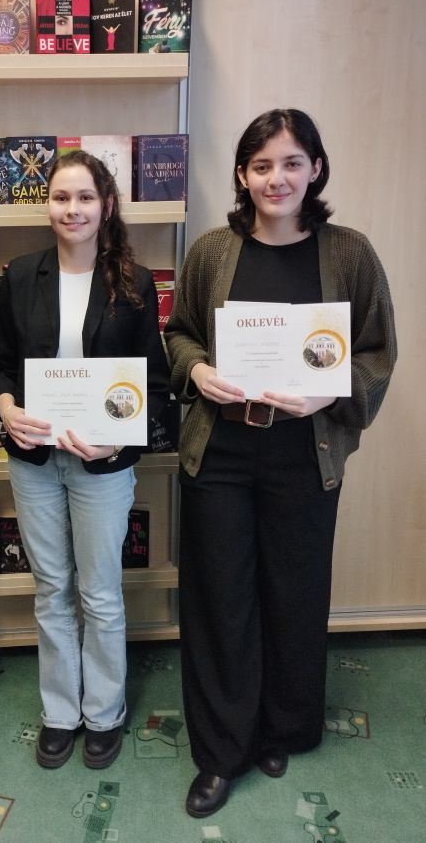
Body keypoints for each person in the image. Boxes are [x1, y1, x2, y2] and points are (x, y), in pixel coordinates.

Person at [164, 108, 397, 818]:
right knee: (220, 599)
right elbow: (180, 334)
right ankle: (221, 751)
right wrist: (197, 371)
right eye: (261, 165)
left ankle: (280, 727)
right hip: (222, 451)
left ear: (315, 169)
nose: (277, 178)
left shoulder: (349, 253)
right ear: (242, 174)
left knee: (293, 594)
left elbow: (377, 352)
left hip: (304, 453)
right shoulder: (212, 251)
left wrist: (329, 392)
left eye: (292, 163)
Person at [0, 150, 170, 770]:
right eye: (61, 197)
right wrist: (7, 407)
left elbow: (155, 384)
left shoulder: (133, 283)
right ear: (47, 205)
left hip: (103, 463)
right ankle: (62, 712)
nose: (73, 209)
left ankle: (105, 712)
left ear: (106, 205)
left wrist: (119, 440)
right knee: (52, 589)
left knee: (101, 593)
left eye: (85, 197)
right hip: (34, 458)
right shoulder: (20, 275)